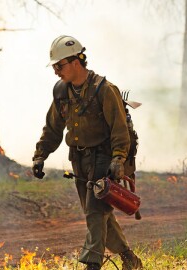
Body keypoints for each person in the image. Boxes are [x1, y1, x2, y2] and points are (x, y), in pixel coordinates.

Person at [32, 35, 143, 270]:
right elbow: (53, 127)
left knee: (95, 211)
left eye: (59, 66)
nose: (56, 72)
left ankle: (92, 265)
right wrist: (41, 155)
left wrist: (118, 159)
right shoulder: (62, 92)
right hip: (79, 159)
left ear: (75, 61)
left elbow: (119, 130)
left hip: (104, 157)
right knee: (100, 213)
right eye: (54, 66)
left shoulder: (105, 90)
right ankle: (129, 259)